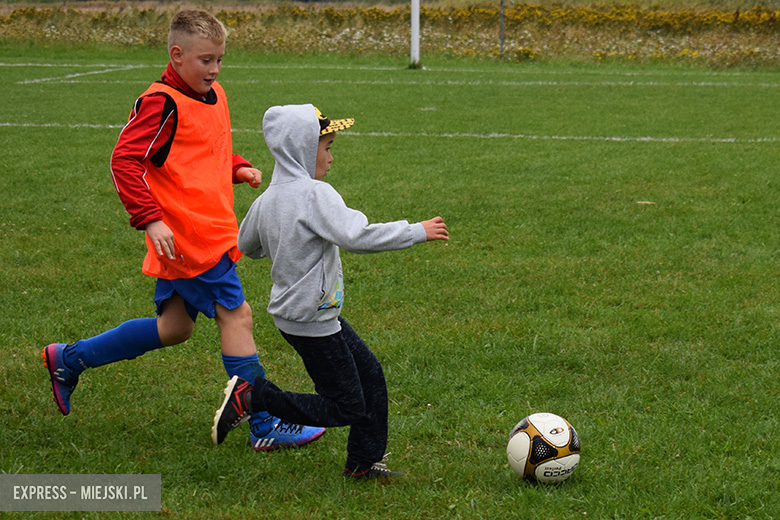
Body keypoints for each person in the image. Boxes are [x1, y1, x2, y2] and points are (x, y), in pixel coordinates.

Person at [42, 10, 324, 451]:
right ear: (177, 55)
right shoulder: (160, 102)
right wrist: (150, 218)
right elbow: (125, 161)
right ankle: (264, 422)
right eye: (205, 60)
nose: (214, 70)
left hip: (210, 231)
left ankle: (68, 359)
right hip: (188, 237)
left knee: (174, 328)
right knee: (238, 315)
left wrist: (237, 166)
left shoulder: (213, 93)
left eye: (220, 61)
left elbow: (200, 150)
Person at [211, 104, 449, 479]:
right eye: (327, 147)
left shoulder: (266, 201)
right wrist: (415, 230)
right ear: (303, 148)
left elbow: (247, 244)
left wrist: (281, 237)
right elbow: (356, 236)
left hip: (304, 314)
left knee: (370, 374)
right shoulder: (314, 195)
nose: (331, 157)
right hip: (311, 317)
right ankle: (254, 397)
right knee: (346, 406)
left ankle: (362, 464)